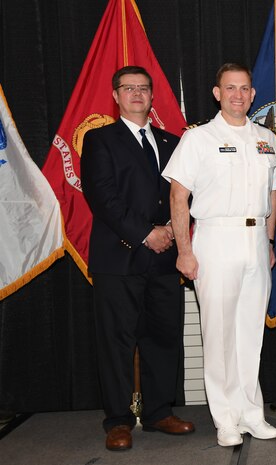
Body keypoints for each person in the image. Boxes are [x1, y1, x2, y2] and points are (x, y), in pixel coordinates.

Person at [163, 63, 276, 447]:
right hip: (215, 238)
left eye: (244, 88)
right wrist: (184, 250)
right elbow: (178, 196)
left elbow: (273, 193)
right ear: (217, 93)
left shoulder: (268, 138)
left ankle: (251, 413)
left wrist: (268, 243)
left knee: (250, 333)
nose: (237, 95)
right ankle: (225, 419)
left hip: (254, 240)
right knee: (217, 334)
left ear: (252, 93)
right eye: (230, 88)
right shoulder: (198, 138)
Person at [81, 66, 195, 452]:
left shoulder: (171, 141)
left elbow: (184, 196)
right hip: (119, 259)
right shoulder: (99, 140)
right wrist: (147, 234)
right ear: (115, 96)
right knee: (116, 343)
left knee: (163, 338)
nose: (136, 94)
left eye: (143, 88)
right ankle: (117, 420)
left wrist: (169, 233)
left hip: (165, 260)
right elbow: (103, 198)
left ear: (152, 96)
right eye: (128, 88)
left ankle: (160, 411)